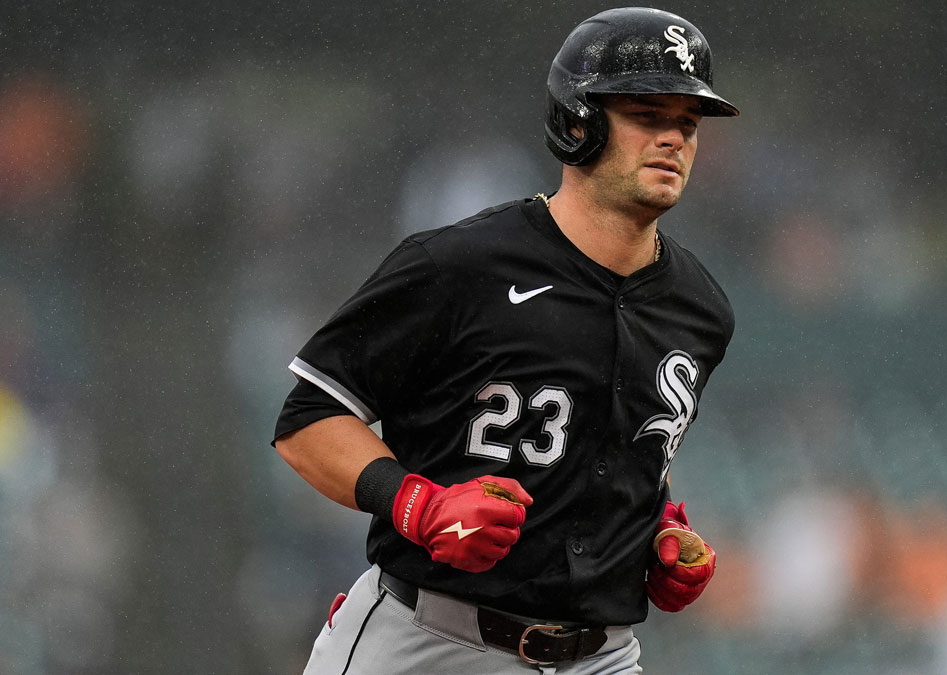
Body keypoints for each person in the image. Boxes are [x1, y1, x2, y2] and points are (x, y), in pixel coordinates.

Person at [273, 7, 739, 673]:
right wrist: (419, 503)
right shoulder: (461, 266)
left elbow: (618, 460)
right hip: (429, 638)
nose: (673, 138)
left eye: (687, 123)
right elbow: (308, 420)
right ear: (578, 121)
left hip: (600, 655)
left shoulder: (700, 308)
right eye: (647, 114)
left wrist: (657, 532)